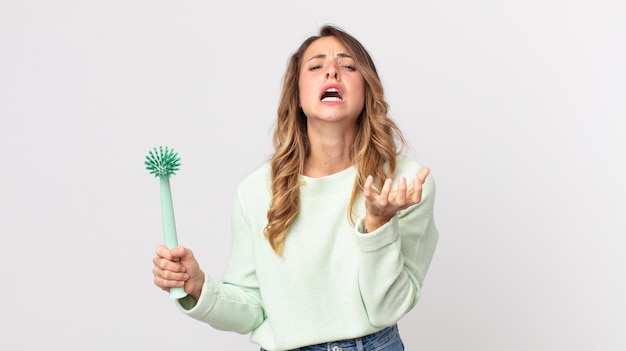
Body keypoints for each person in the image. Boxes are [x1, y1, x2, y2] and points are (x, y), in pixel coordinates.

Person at [152, 24, 439, 351]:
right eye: (316, 66)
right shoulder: (256, 190)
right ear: (297, 95)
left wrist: (378, 224)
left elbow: (386, 308)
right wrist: (199, 287)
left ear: (367, 89)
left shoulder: (405, 185)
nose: (331, 71)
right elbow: (253, 310)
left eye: (347, 66)